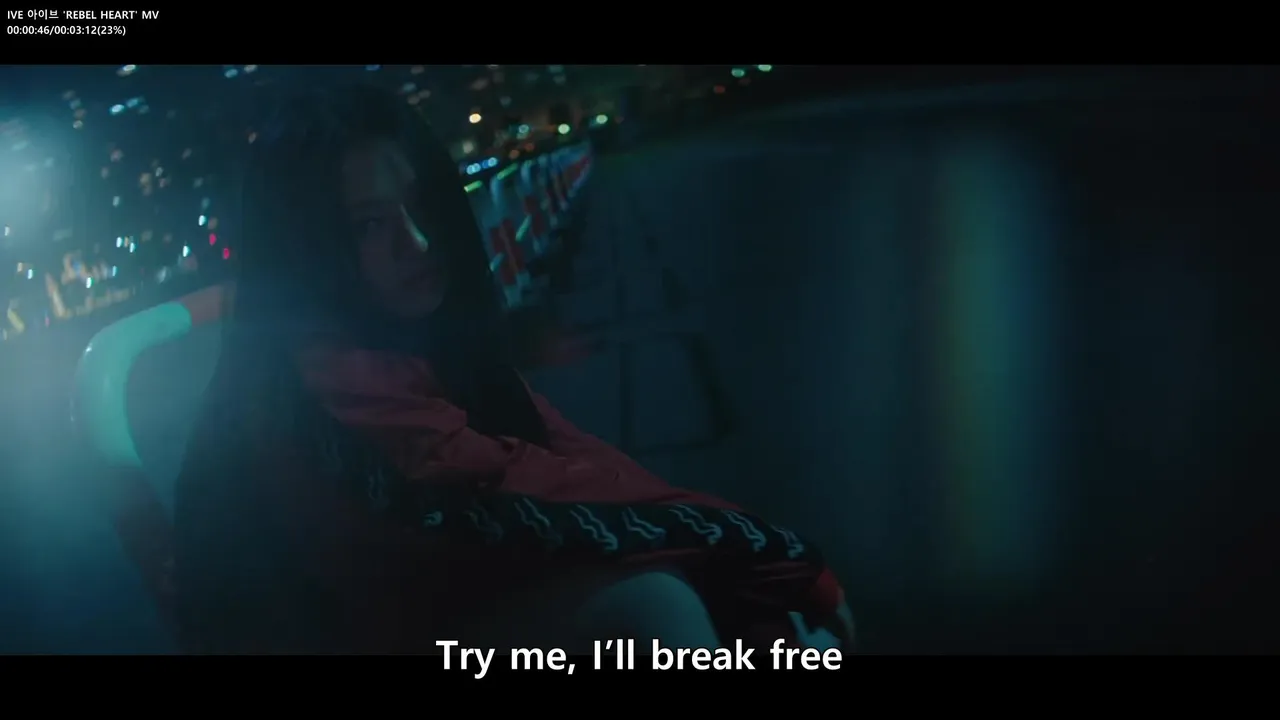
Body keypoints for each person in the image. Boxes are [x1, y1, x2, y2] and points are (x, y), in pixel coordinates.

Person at [173, 85, 852, 654]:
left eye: (422, 204)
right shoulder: (326, 388)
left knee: (727, 616)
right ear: (309, 251)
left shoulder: (401, 339)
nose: (419, 242)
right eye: (369, 226)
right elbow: (520, 501)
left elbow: (567, 458)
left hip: (440, 604)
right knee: (654, 611)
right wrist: (769, 555)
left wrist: (745, 563)